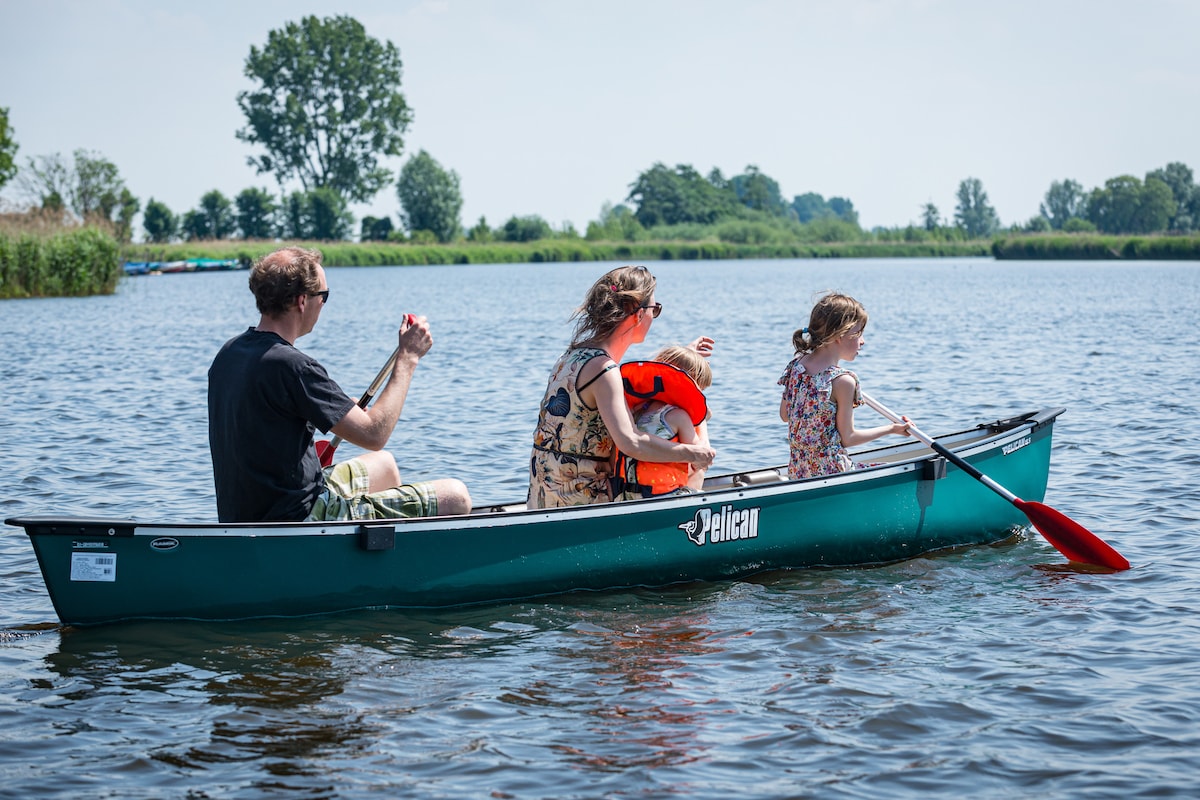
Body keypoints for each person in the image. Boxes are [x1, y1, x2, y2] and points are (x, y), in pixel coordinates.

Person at [208, 247, 471, 523]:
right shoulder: (294, 367)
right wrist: (408, 358)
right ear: (301, 301)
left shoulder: (229, 354)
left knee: (384, 465)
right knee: (456, 496)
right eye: (324, 296)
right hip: (298, 518)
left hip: (247, 513)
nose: (323, 304)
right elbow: (374, 434)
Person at [527, 265, 716, 508]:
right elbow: (632, 443)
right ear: (637, 314)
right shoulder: (604, 371)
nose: (653, 317)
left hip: (542, 495)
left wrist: (684, 360)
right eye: (654, 310)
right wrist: (692, 453)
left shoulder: (571, 356)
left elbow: (640, 385)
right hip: (581, 499)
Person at [777, 291, 912, 479]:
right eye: (859, 334)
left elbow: (785, 415)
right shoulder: (843, 381)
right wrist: (892, 429)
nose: (863, 341)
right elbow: (848, 438)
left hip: (799, 474)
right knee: (899, 472)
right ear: (840, 335)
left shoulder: (795, 368)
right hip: (833, 474)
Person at [616, 344, 714, 499]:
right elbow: (701, 457)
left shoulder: (637, 408)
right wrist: (702, 420)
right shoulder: (679, 416)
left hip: (626, 493)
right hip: (662, 495)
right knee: (700, 470)